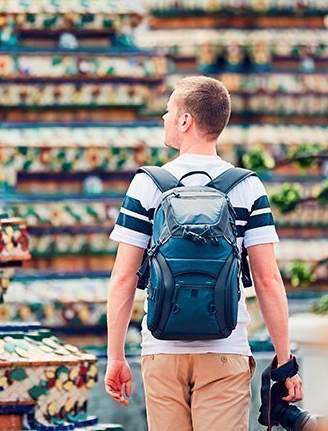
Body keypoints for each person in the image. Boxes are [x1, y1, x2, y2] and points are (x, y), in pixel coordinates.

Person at [104, 76, 303, 430]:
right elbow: (268, 280)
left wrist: (115, 356)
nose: (164, 118)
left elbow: (123, 277)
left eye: (168, 111)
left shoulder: (147, 184)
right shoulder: (248, 187)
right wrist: (285, 362)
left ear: (185, 120)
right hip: (226, 348)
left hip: (162, 350)